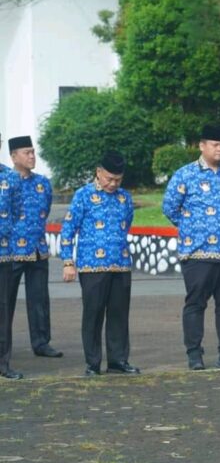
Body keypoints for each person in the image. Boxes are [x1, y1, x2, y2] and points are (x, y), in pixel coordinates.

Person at [162, 124, 220, 371]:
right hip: (197, 253)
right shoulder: (185, 175)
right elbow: (169, 207)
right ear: (202, 146)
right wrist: (192, 227)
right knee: (196, 303)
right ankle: (194, 354)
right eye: (215, 145)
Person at [61, 151, 139, 376]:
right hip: (91, 266)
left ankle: (118, 361)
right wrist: (68, 262)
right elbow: (68, 230)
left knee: (119, 315)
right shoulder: (83, 195)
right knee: (93, 315)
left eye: (118, 180)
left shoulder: (125, 197)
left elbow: (127, 224)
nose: (113, 184)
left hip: (120, 264)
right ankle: (93, 363)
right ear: (98, 172)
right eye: (109, 179)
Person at [8, 136, 62, 359]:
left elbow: (44, 211)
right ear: (14, 157)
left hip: (38, 249)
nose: (32, 156)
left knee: (39, 299)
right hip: (10, 251)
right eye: (26, 152)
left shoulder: (42, 183)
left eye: (33, 152)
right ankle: (3, 347)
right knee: (5, 301)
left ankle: (41, 343)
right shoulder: (5, 182)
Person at [0, 134, 23, 380]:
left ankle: (3, 363)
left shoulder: (10, 178)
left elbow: (17, 212)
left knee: (3, 310)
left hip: (3, 254)